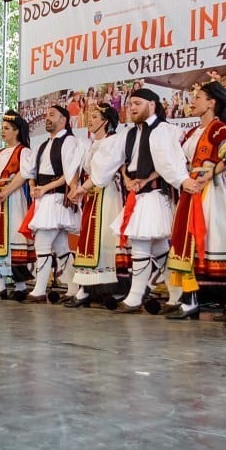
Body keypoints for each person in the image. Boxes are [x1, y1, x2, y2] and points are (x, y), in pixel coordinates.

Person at [110, 88, 196, 314]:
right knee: (158, 248)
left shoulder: (166, 130)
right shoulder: (129, 134)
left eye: (138, 103)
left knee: (140, 242)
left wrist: (146, 179)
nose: (133, 107)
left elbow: (170, 163)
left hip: (154, 194)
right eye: (130, 104)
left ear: (153, 105)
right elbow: (122, 161)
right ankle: (177, 296)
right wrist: (128, 178)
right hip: (137, 195)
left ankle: (135, 297)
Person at [166, 81, 226, 319]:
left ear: (212, 103)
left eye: (198, 97)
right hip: (192, 188)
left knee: (211, 241)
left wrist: (211, 172)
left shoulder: (219, 128)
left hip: (211, 192)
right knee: (189, 241)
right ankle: (190, 298)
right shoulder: (192, 132)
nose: (193, 101)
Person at [66, 102, 125, 308]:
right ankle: (85, 287)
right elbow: (77, 168)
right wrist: (76, 187)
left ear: (105, 121)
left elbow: (103, 171)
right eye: (89, 117)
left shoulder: (113, 141)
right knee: (88, 239)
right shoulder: (89, 144)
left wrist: (82, 189)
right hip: (92, 195)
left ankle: (112, 289)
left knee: (104, 239)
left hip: (108, 194)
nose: (89, 120)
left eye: (94, 117)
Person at [24, 106, 83, 303]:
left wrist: (45, 188)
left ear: (64, 120)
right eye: (47, 115)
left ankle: (39, 290)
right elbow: (31, 172)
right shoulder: (42, 145)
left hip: (56, 198)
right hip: (44, 198)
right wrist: (34, 186)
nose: (47, 118)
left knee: (42, 243)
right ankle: (74, 288)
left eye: (52, 115)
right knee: (61, 247)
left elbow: (69, 174)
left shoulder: (69, 141)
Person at [0, 110, 35, 301]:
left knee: (13, 237)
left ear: (16, 131)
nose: (3, 132)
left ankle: (19, 284)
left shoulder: (24, 151)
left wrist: (5, 192)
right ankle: (3, 283)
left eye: (7, 129)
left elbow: (24, 175)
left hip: (13, 198)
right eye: (2, 128)